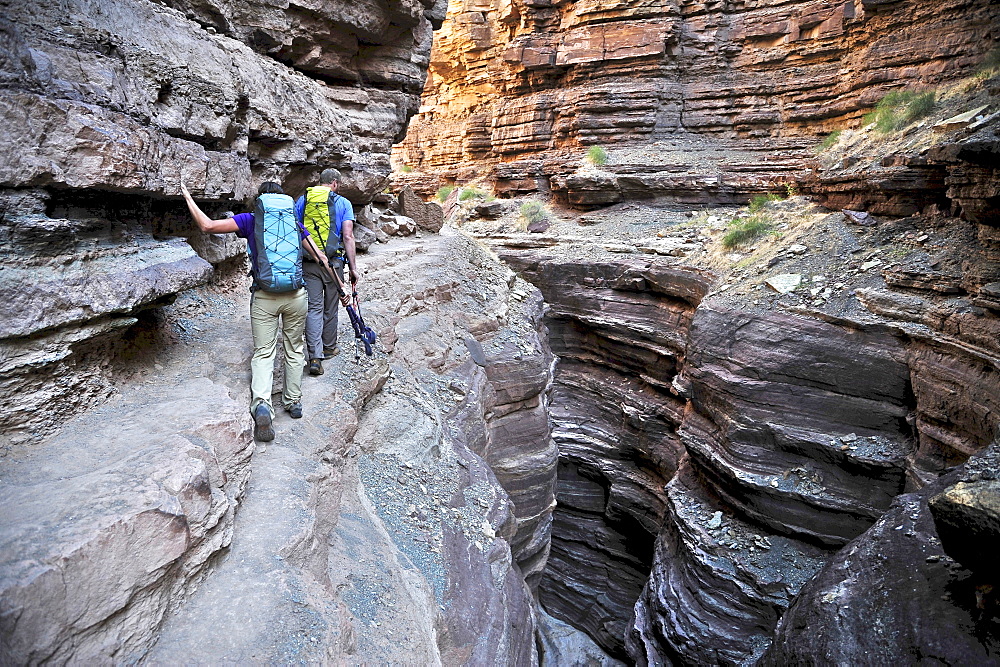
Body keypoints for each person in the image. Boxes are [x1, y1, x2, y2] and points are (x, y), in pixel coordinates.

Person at [180, 180, 334, 444]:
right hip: (296, 295)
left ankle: (262, 404)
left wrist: (187, 197)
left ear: (260, 200)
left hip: (265, 296)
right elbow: (320, 257)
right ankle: (293, 401)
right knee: (295, 348)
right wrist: (340, 285)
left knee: (264, 351)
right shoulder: (292, 221)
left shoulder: (251, 220)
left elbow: (208, 226)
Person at [295, 168, 359, 376]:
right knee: (330, 307)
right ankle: (329, 347)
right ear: (335, 183)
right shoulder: (342, 203)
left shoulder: (302, 201)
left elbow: (297, 232)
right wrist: (353, 268)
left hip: (309, 263)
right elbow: (348, 236)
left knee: (313, 308)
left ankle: (314, 357)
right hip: (334, 263)